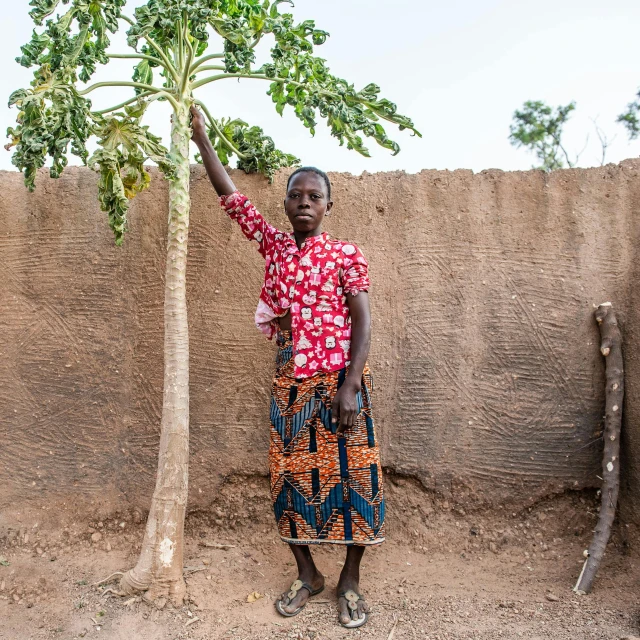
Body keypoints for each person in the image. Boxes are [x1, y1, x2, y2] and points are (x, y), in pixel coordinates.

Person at [190, 106, 385, 629]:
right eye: (295, 195)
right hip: (290, 384)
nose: (304, 202)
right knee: (288, 479)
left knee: (355, 480)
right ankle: (308, 573)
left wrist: (350, 387)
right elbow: (231, 199)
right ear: (285, 202)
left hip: (341, 385)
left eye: (314, 196)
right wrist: (202, 140)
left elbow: (364, 322)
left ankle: (350, 581)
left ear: (328, 206)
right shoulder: (274, 245)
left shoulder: (347, 254)